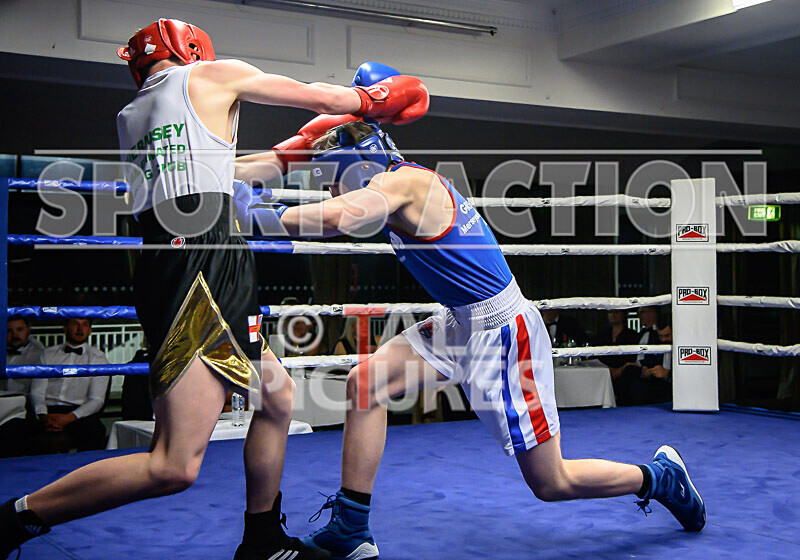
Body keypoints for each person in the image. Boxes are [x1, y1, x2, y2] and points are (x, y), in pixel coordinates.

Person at [0, 21, 427, 560]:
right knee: (173, 464)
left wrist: (313, 143)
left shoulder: (132, 117)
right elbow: (325, 96)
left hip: (170, 264)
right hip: (204, 265)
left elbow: (236, 170)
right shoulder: (210, 74)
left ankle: (262, 538)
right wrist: (372, 100)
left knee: (277, 399)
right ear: (193, 48)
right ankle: (16, 519)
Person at [240, 103, 705, 558]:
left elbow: (339, 217)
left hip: (503, 332)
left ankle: (658, 477)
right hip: (460, 320)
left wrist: (260, 216)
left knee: (551, 482)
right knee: (367, 382)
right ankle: (350, 528)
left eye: (333, 175)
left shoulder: (406, 182)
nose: (333, 187)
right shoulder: (395, 179)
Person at [26, 318, 110, 454]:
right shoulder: (48, 354)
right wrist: (43, 415)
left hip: (76, 412)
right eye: (75, 324)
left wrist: (69, 418)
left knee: (95, 430)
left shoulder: (98, 358)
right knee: (18, 428)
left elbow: (97, 400)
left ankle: (84, 473)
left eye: (85, 325)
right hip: (47, 409)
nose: (80, 329)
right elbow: (37, 392)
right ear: (65, 328)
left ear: (90, 331)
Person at [1, 316, 45, 457]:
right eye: (9, 331)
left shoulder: (40, 353)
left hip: (24, 408)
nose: (14, 335)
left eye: (19, 330)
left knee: (12, 432)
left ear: (28, 331)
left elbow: (37, 392)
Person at [592, 309, 640, 377]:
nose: (613, 315)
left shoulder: (633, 335)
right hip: (603, 373)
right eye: (610, 312)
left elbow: (633, 358)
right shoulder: (602, 335)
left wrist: (620, 370)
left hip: (626, 374)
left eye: (616, 312)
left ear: (623, 314)